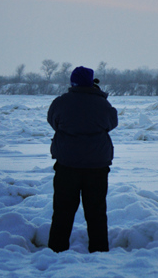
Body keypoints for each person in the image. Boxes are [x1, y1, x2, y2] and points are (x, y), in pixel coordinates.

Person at [47, 66, 118, 253]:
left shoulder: (61, 103)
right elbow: (112, 123)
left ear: (72, 82)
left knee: (62, 211)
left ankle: (56, 249)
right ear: (91, 82)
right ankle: (99, 250)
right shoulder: (102, 104)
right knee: (96, 212)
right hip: (97, 167)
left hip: (66, 165)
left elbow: (52, 121)